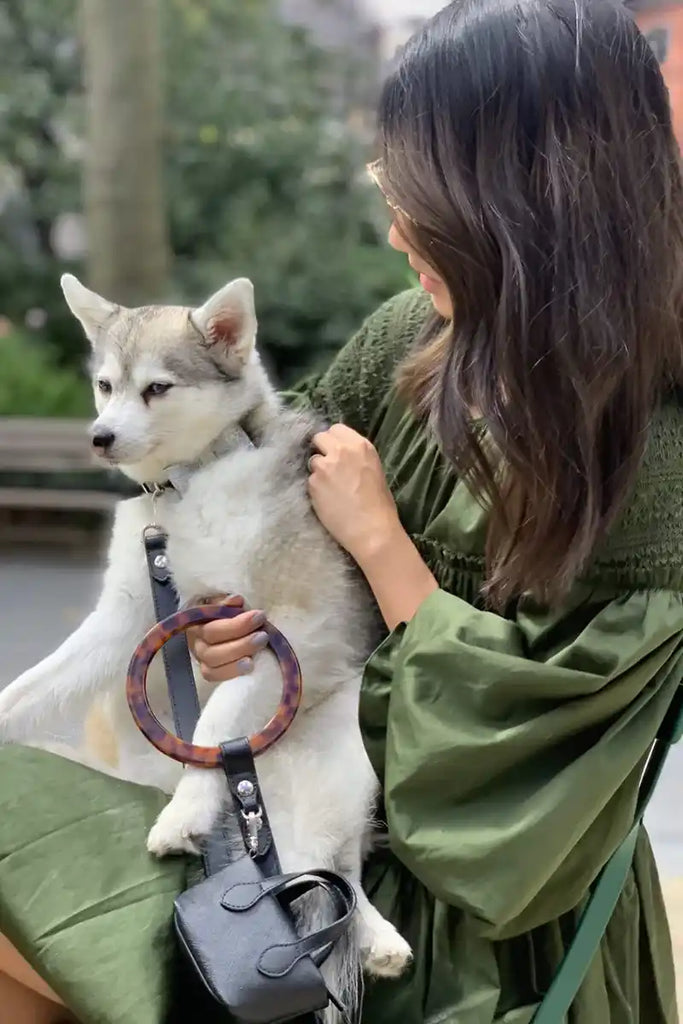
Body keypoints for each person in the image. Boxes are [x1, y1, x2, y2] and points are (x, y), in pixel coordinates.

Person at [2, 0, 683, 1020]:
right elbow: (264, 526)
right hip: (266, 813)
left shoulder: (653, 452)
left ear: (534, 205)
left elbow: (522, 796)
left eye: (421, 198)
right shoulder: (407, 338)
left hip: (469, 917)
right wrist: (240, 633)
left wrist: (379, 543)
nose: (393, 226)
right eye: (388, 185)